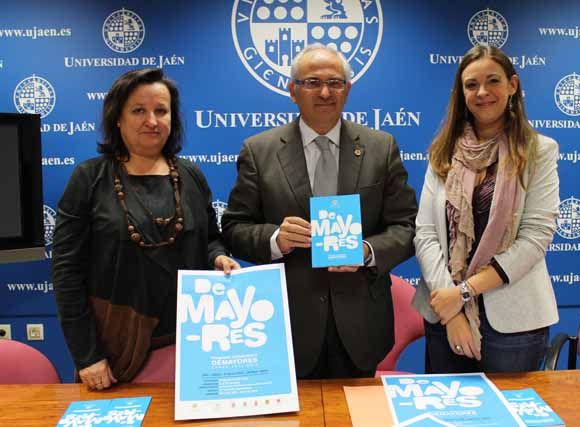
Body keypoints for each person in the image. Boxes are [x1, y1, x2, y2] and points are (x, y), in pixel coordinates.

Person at [221, 44, 417, 379]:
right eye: (312, 82)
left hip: (362, 325)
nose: (325, 92)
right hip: (285, 324)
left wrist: (366, 251)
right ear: (293, 91)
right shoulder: (259, 151)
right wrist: (275, 238)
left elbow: (407, 226)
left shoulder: (381, 148)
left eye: (335, 82)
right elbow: (234, 228)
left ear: (348, 89)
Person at [52, 68, 239, 390]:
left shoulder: (191, 176)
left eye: (161, 111)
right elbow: (67, 273)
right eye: (139, 110)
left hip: (194, 342)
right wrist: (87, 356)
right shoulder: (89, 178)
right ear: (117, 119)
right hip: (117, 350)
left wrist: (219, 257)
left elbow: (210, 239)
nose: (152, 120)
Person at [412, 45, 560, 373]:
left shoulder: (539, 151)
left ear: (512, 85)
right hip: (443, 314)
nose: (482, 92)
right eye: (471, 85)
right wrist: (450, 306)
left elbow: (535, 238)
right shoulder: (442, 153)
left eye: (492, 81)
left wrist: (464, 293)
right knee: (447, 419)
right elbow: (425, 234)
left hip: (512, 321)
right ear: (461, 92)